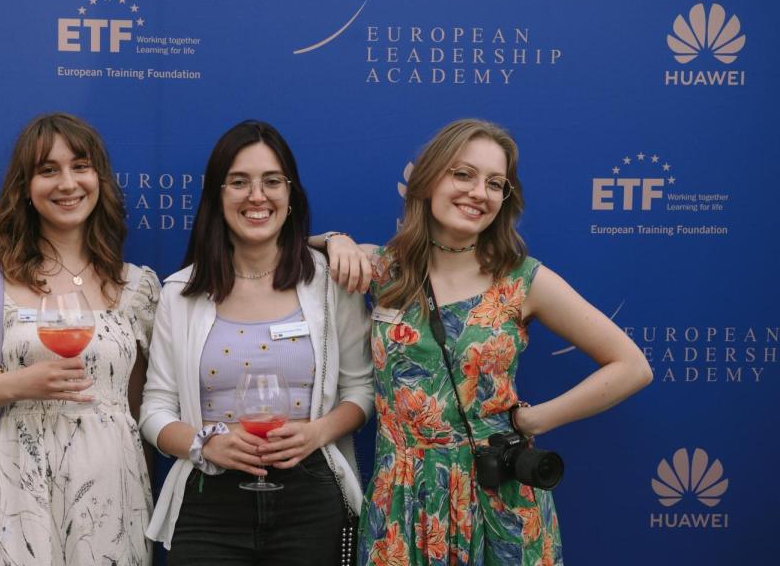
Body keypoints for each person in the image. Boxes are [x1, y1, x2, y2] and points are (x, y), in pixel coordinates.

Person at [337, 119, 653, 565]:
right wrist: (334, 240)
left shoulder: (522, 280)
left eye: (494, 183)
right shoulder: (384, 269)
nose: (478, 192)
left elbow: (632, 366)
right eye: (462, 174)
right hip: (403, 499)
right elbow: (293, 251)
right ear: (427, 180)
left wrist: (533, 420)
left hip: (497, 498)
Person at [0, 113, 158, 566]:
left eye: (80, 166)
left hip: (112, 495)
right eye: (48, 170)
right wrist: (17, 385)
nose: (67, 183)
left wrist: (325, 243)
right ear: (25, 187)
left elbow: (140, 409)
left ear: (98, 179)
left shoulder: (136, 290)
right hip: (11, 495)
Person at [139, 119, 374, 564]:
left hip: (311, 497)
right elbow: (154, 409)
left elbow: (360, 390)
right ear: (217, 195)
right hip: (209, 502)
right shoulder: (180, 293)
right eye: (239, 182)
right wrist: (203, 444)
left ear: (290, 193)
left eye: (271, 181)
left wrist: (316, 433)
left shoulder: (330, 284)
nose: (257, 196)